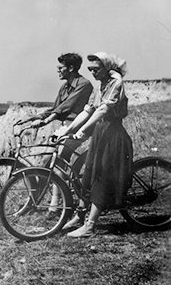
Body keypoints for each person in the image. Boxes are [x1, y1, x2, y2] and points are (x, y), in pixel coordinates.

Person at [57, 52, 133, 237]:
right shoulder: (101, 85)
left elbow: (103, 109)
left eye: (96, 69)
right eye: (90, 69)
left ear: (107, 68)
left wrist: (83, 130)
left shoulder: (116, 82)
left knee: (101, 177)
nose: (92, 72)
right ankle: (81, 216)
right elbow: (88, 110)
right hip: (101, 133)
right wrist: (68, 130)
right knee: (89, 175)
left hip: (112, 134)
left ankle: (90, 226)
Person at [18, 53, 93, 218]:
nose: (57, 71)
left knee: (58, 161)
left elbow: (66, 107)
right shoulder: (64, 87)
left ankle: (55, 204)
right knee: (45, 161)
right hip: (66, 127)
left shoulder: (84, 84)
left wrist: (46, 121)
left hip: (81, 127)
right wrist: (35, 118)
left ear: (71, 68)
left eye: (60, 68)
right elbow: (55, 109)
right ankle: (36, 200)